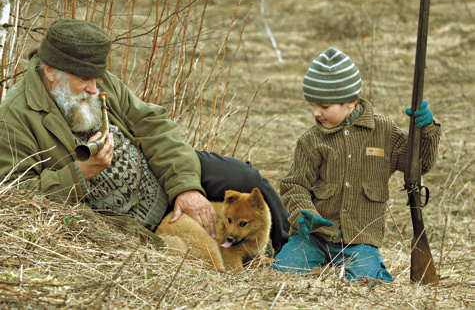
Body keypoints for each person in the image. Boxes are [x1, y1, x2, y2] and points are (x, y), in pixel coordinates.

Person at [0, 18, 289, 252]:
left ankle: (289, 247)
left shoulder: (97, 80)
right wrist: (81, 172)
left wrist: (185, 187)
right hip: (124, 219)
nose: (93, 88)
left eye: (96, 79)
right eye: (84, 81)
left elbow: (153, 126)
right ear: (50, 72)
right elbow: (16, 195)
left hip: (159, 175)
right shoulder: (14, 117)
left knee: (245, 179)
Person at [271, 47, 441, 282]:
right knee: (283, 271)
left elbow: (418, 165)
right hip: (314, 237)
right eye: (312, 105)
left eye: (324, 107)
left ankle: (374, 269)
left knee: (365, 282)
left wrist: (427, 131)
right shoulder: (311, 140)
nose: (315, 112)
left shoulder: (384, 132)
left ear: (351, 103)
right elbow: (294, 184)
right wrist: (304, 214)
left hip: (360, 239)